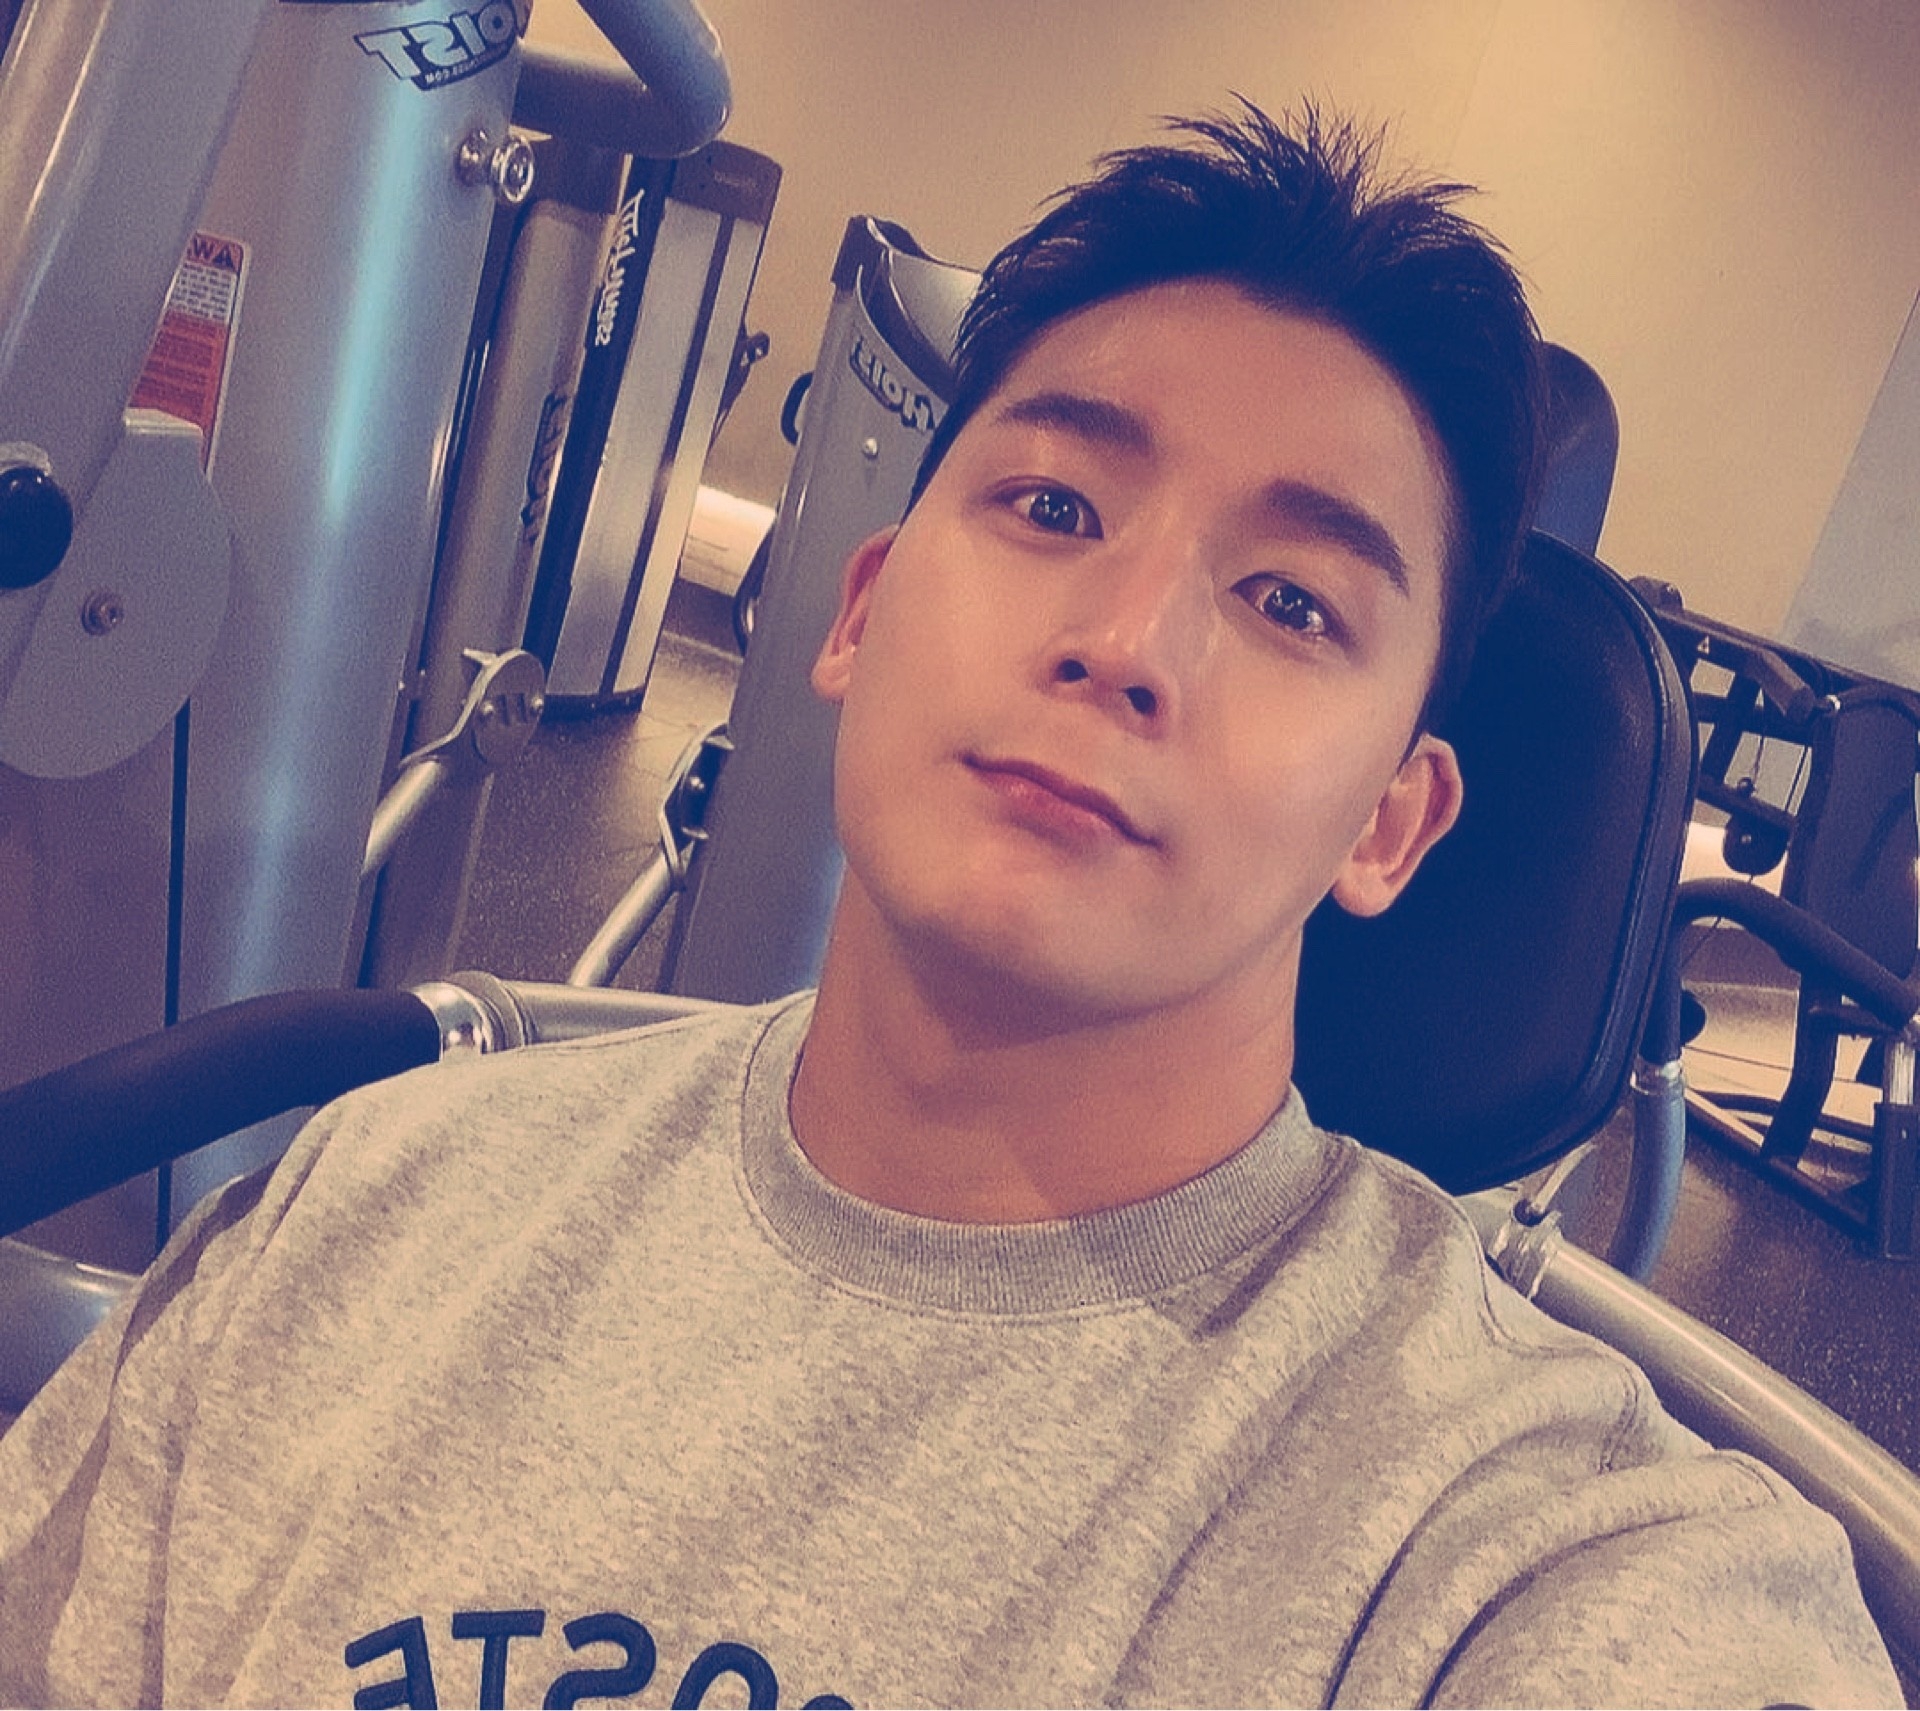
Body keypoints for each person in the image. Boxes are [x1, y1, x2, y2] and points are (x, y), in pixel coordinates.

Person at [0, 105, 1899, 1709]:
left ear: (1390, 826)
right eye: (1058, 509)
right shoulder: (375, 1203)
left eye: (1292, 603)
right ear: (857, 611)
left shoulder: (1527, 1555)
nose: (1127, 641)